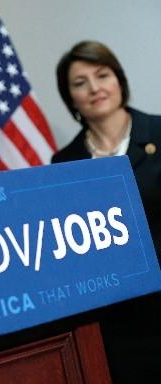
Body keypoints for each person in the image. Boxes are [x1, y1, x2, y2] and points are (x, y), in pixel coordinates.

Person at [52, 40, 161, 383]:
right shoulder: (63, 164)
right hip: (118, 323)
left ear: (119, 80)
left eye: (102, 75)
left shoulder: (159, 132)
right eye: (80, 83)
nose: (95, 88)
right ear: (70, 98)